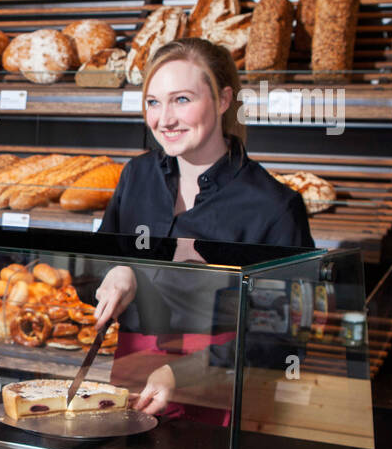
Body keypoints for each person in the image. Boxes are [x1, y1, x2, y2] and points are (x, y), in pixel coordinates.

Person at [91, 38, 315, 417]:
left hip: (216, 403)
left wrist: (183, 373)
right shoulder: (136, 176)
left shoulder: (275, 207)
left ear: (224, 100)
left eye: (182, 100)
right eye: (153, 102)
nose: (164, 119)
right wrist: (118, 270)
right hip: (126, 386)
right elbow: (95, 265)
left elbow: (283, 340)